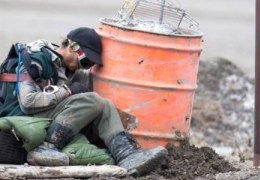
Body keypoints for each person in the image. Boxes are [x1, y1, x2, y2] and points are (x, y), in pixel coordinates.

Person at [16, 27, 168, 176]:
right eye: (85, 61)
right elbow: (27, 103)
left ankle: (126, 155)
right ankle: (46, 147)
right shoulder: (37, 59)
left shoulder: (69, 71)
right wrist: (68, 91)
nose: (84, 67)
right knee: (93, 100)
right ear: (72, 47)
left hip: (50, 118)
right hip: (24, 119)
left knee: (105, 104)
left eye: (89, 65)